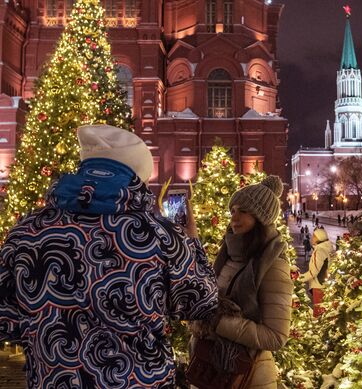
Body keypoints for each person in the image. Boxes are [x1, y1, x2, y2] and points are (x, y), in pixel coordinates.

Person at [0, 124, 219, 388]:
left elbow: (6, 322)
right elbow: (201, 301)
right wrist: (191, 241)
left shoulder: (27, 230)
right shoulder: (160, 234)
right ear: (138, 177)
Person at [188, 175, 293, 389]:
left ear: (261, 218)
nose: (234, 218)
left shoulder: (273, 266)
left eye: (243, 211)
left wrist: (217, 322)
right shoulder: (229, 254)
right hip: (212, 370)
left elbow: (275, 337)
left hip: (249, 377)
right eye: (232, 211)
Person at [300, 227, 333, 318]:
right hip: (326, 284)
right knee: (325, 312)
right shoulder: (328, 248)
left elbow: (313, 272)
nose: (312, 239)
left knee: (318, 312)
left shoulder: (319, 251)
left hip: (318, 285)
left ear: (319, 238)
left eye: (314, 236)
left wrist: (299, 278)